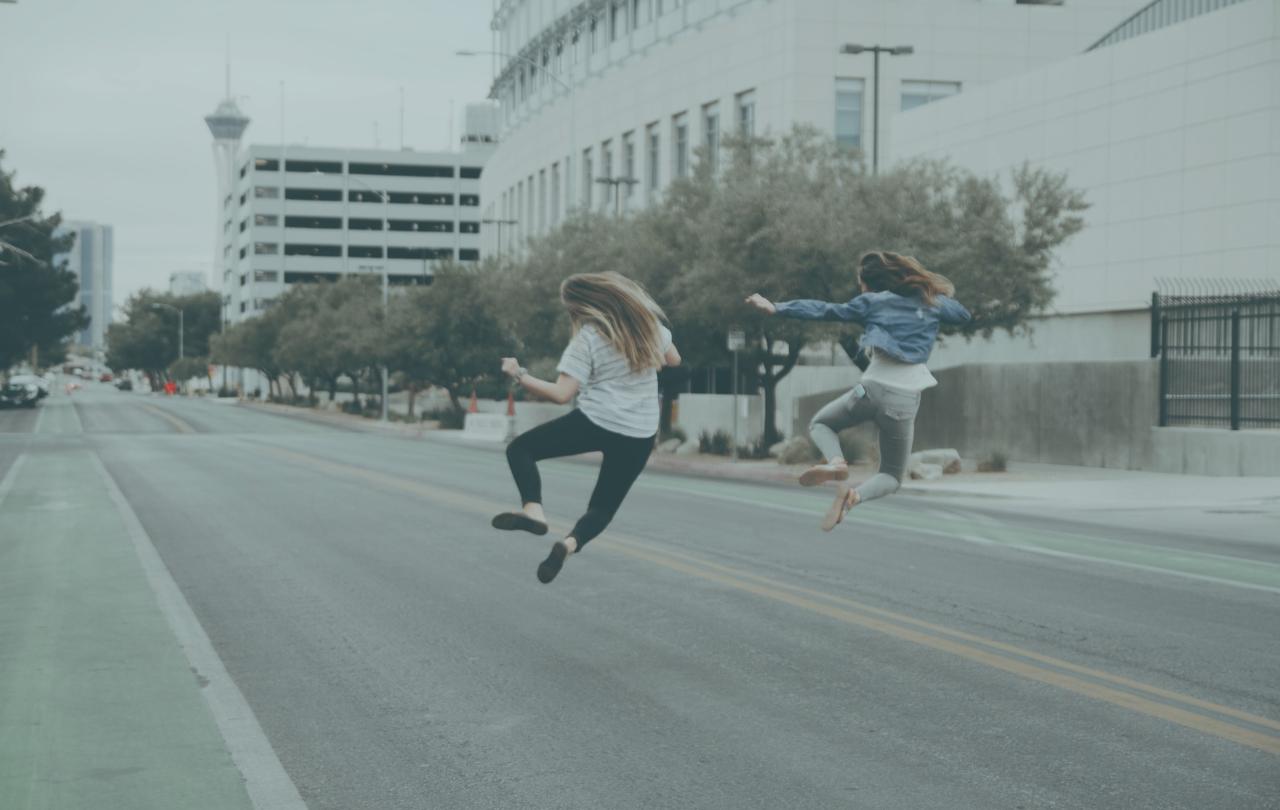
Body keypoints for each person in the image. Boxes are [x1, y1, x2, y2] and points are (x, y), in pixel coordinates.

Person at [745, 250, 971, 531]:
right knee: (891, 476)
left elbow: (824, 310)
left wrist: (777, 307)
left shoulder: (871, 302)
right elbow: (963, 315)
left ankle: (837, 462)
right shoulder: (930, 302)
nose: (860, 288)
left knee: (822, 424)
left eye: (861, 283)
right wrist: (932, 296)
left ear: (869, 283)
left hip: (870, 391)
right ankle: (854, 497)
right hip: (903, 402)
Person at [493, 272, 681, 584]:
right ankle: (568, 544)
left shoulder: (589, 339)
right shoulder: (651, 327)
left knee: (521, 449)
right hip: (640, 433)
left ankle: (534, 511)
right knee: (603, 507)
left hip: (597, 421)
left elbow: (561, 394)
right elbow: (674, 359)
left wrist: (518, 373)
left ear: (582, 307)